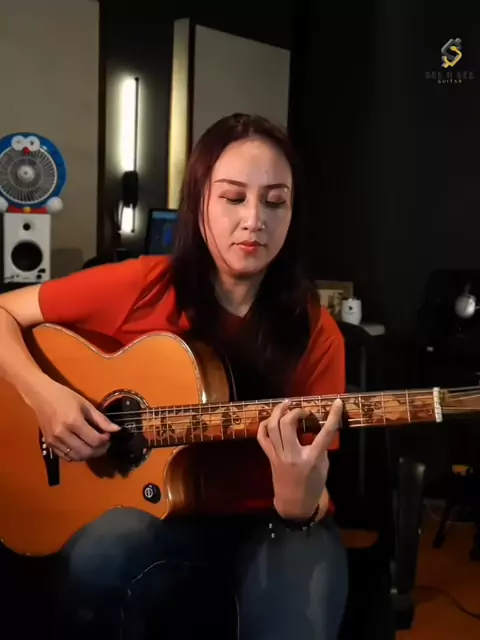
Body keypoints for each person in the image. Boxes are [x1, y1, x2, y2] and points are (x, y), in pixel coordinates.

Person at [0, 113, 348, 639]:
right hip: (160, 522)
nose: (254, 219)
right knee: (102, 554)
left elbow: (311, 493)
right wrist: (46, 397)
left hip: (274, 522)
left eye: (275, 201)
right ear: (199, 202)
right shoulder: (142, 287)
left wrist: (297, 503)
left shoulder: (316, 332)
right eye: (233, 197)